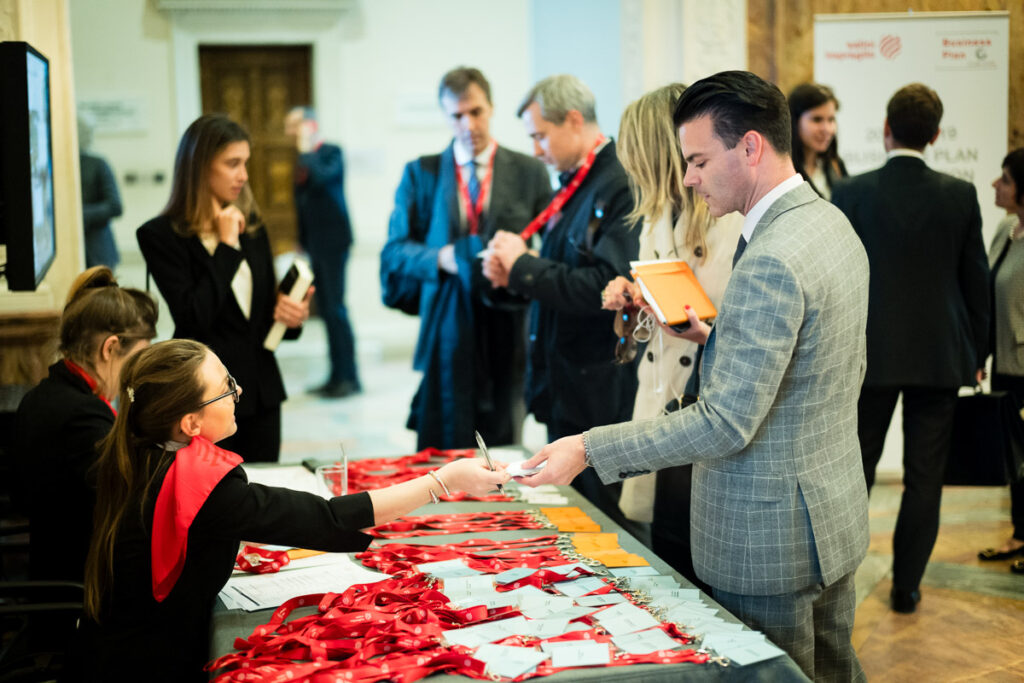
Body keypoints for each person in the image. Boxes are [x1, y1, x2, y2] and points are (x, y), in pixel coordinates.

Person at [517, 70, 871, 681]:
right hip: (829, 516)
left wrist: (587, 448)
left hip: (768, 537)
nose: (688, 178)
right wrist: (716, 337)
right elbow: (812, 362)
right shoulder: (827, 223)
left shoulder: (770, 258)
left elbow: (725, 422)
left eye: (700, 159)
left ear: (751, 146)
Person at [62, 339, 507, 681]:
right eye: (225, 389)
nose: (239, 391)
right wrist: (442, 481)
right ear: (190, 424)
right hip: (148, 665)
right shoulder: (198, 487)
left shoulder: (133, 451)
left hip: (102, 649)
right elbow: (328, 519)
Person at [832, 83, 989, 613]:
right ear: (937, 135)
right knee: (926, 478)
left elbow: (837, 279)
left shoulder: (851, 192)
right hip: (940, 357)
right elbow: (977, 283)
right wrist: (978, 354)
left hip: (867, 353)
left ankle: (839, 580)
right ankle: (907, 588)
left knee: (855, 470)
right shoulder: (960, 194)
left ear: (885, 128)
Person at [599, 83, 742, 587]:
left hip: (708, 402)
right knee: (663, 541)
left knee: (700, 552)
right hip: (660, 395)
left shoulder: (732, 219)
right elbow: (652, 313)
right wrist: (631, 295)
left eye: (636, 157)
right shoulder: (655, 215)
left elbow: (748, 325)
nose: (631, 171)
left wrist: (700, 326)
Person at [482, 74, 639, 523]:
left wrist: (525, 267)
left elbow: (606, 287)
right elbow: (565, 276)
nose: (535, 150)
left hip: (596, 390)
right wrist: (514, 273)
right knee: (578, 516)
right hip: (566, 382)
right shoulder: (575, 182)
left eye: (539, 136)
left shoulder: (617, 182)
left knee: (606, 521)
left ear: (573, 121)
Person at [381, 67, 551, 450]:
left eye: (476, 112)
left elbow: (551, 248)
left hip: (507, 327)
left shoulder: (529, 171)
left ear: (490, 107)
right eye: (457, 115)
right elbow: (394, 251)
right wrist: (447, 257)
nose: (468, 124)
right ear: (445, 115)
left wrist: (521, 261)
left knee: (503, 442)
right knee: (443, 440)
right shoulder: (420, 173)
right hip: (446, 329)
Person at [138, 114, 312, 463]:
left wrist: (291, 318)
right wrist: (227, 249)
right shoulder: (159, 235)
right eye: (233, 164)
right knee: (216, 504)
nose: (244, 176)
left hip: (262, 393)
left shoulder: (252, 226)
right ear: (200, 167)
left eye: (244, 163)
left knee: (264, 490)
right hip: (205, 401)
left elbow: (261, 318)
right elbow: (193, 316)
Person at [15, 266, 157, 582]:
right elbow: (131, 509)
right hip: (80, 588)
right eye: (136, 359)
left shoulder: (43, 394)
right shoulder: (85, 417)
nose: (135, 375)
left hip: (51, 568)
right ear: (109, 348)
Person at [284, 106, 361, 399]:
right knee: (327, 311)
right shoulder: (304, 159)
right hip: (315, 243)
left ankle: (349, 378)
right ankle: (335, 376)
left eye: (294, 126)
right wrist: (301, 239)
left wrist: (305, 148)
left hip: (334, 241)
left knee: (336, 310)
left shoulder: (331, 152)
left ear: (309, 125)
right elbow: (302, 201)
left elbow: (318, 180)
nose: (290, 133)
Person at [976, 148, 1024, 574]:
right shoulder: (1007, 229)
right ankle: (1020, 534)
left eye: (1005, 179)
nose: (996, 185)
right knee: (1015, 458)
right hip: (1006, 366)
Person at [787, 83, 848, 200]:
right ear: (795, 121)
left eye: (831, 119)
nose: (827, 129)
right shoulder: (784, 171)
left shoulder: (836, 165)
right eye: (817, 119)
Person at [78, 115, 123, 269]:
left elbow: (115, 206)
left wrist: (79, 214)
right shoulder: (54, 165)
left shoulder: (97, 164)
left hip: (98, 249)